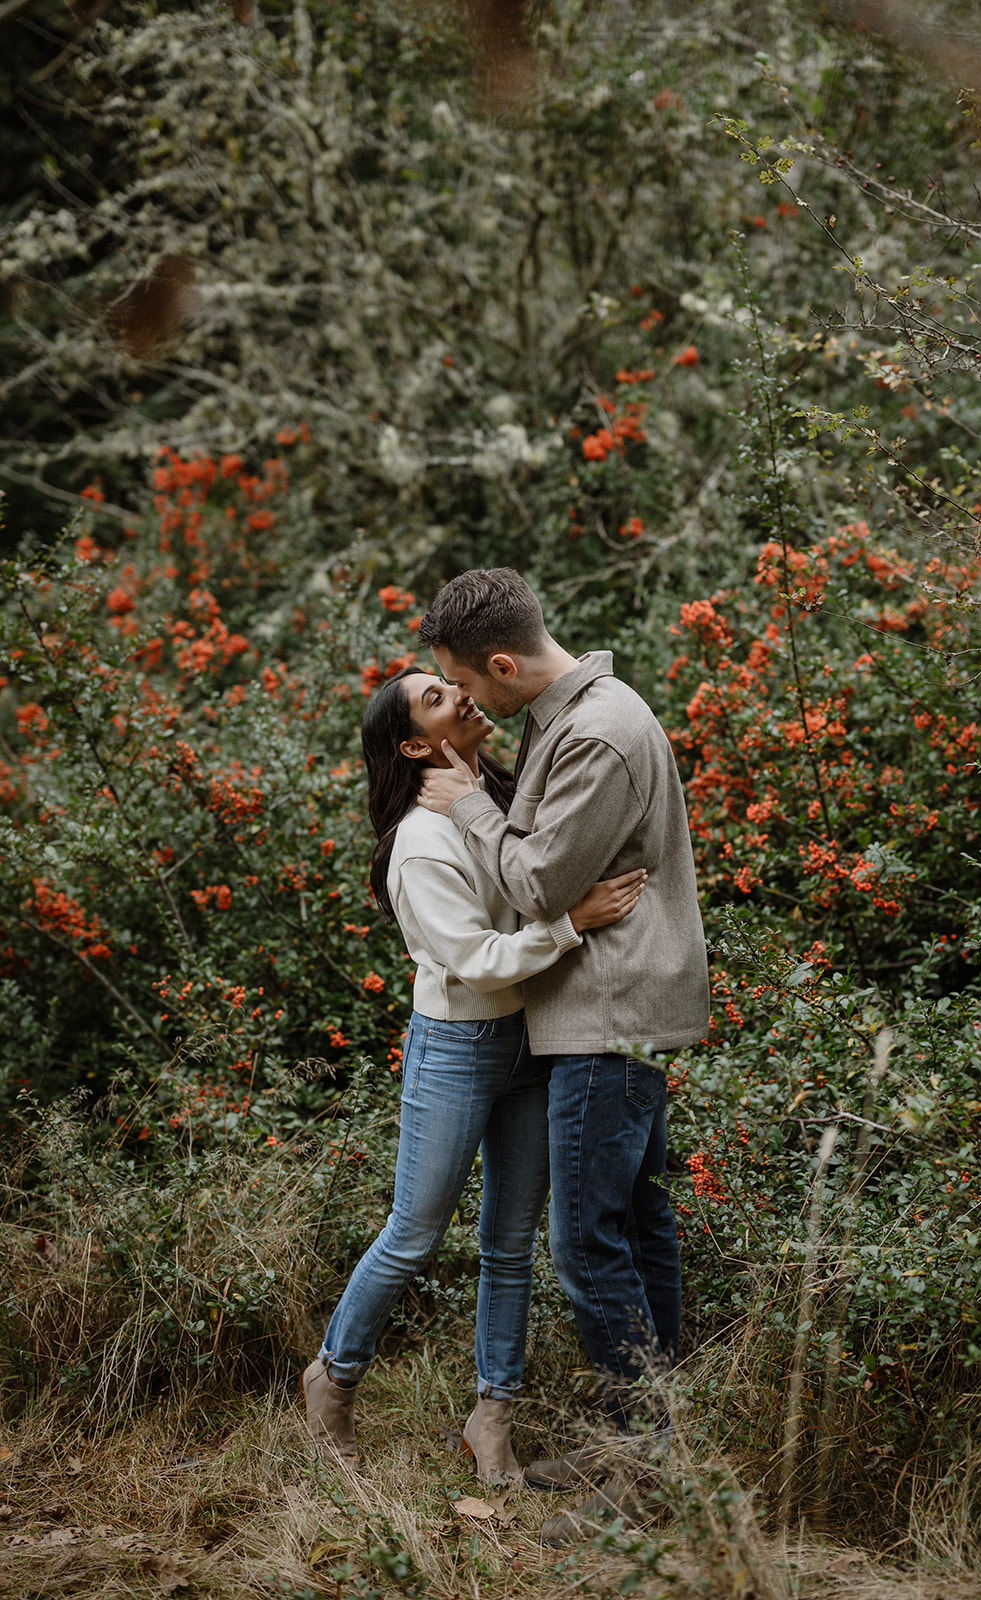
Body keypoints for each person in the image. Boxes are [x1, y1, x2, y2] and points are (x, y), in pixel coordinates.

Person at [416, 569, 710, 1543]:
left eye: (466, 680)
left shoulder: (593, 729)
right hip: (610, 1012)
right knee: (638, 1225)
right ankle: (656, 1444)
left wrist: (464, 801)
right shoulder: (574, 711)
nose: (468, 700)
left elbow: (540, 881)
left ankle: (642, 1478)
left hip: (606, 1017)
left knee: (587, 1243)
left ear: (504, 662)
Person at [302, 664, 646, 1484]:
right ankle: (335, 1377)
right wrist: (570, 924)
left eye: (450, 683)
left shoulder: (493, 800)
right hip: (458, 1047)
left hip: (531, 1041)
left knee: (509, 1244)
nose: (459, 694)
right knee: (413, 1236)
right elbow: (477, 960)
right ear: (416, 744)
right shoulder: (420, 843)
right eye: (435, 697)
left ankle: (492, 1417)